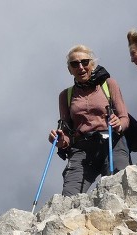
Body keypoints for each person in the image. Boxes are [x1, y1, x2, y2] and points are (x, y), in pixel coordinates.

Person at [49, 45, 131, 196]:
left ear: (92, 64)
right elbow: (67, 132)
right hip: (81, 148)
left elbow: (124, 118)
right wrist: (61, 140)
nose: (80, 67)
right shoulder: (65, 95)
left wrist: (119, 125)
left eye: (85, 62)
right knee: (69, 197)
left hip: (112, 142)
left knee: (120, 189)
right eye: (75, 64)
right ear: (69, 70)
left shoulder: (109, 84)